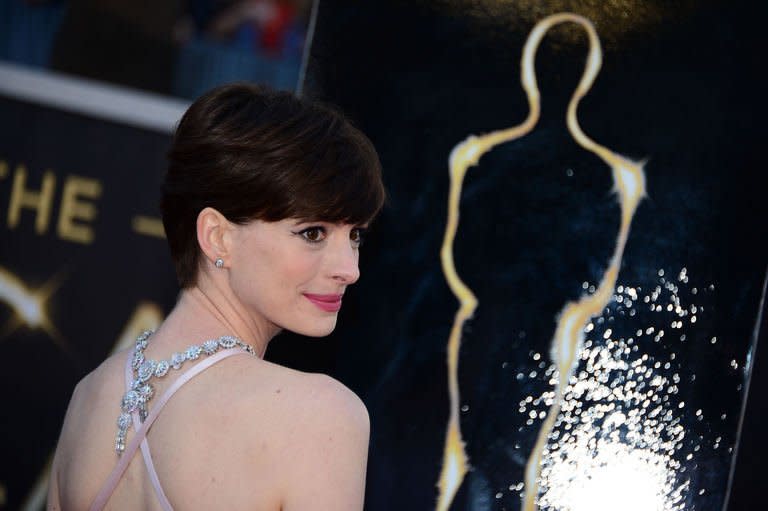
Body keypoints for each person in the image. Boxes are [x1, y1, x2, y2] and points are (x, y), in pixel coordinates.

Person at [46, 83, 386, 510]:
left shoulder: (89, 398)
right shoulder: (319, 415)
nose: (350, 269)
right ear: (217, 237)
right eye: (313, 233)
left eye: (355, 235)